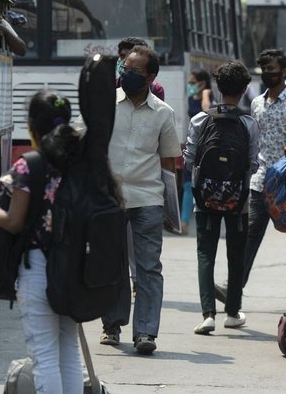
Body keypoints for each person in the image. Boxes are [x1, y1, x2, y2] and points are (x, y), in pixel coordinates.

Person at [0, 91, 87, 394]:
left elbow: (14, 222)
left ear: (31, 127)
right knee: (69, 353)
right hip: (74, 268)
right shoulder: (82, 163)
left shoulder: (28, 166)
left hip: (38, 269)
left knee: (45, 357)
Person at [100, 45, 181, 354]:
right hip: (110, 198)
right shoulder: (106, 103)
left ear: (150, 77)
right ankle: (112, 324)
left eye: (133, 71)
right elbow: (87, 142)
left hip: (148, 199)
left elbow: (168, 164)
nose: (126, 74)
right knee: (113, 265)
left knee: (148, 267)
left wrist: (171, 211)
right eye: (124, 68)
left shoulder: (163, 113)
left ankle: (146, 332)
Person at [184, 61, 260, 334]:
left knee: (206, 253)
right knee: (236, 254)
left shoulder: (200, 120)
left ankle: (208, 315)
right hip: (238, 199)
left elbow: (190, 158)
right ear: (244, 89)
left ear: (216, 86)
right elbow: (253, 163)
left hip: (204, 197)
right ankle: (232, 312)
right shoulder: (248, 123)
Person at [243, 49, 286, 282]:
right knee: (250, 236)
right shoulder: (256, 103)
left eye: (271, 70)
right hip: (260, 181)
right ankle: (234, 291)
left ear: (283, 72)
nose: (267, 74)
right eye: (264, 70)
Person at [182, 69, 214, 234]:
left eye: (193, 82)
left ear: (202, 83)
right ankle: (184, 222)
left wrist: (206, 93)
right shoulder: (190, 98)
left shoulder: (209, 99)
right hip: (192, 145)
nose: (190, 86)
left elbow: (206, 112)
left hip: (207, 147)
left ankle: (206, 220)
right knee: (188, 185)